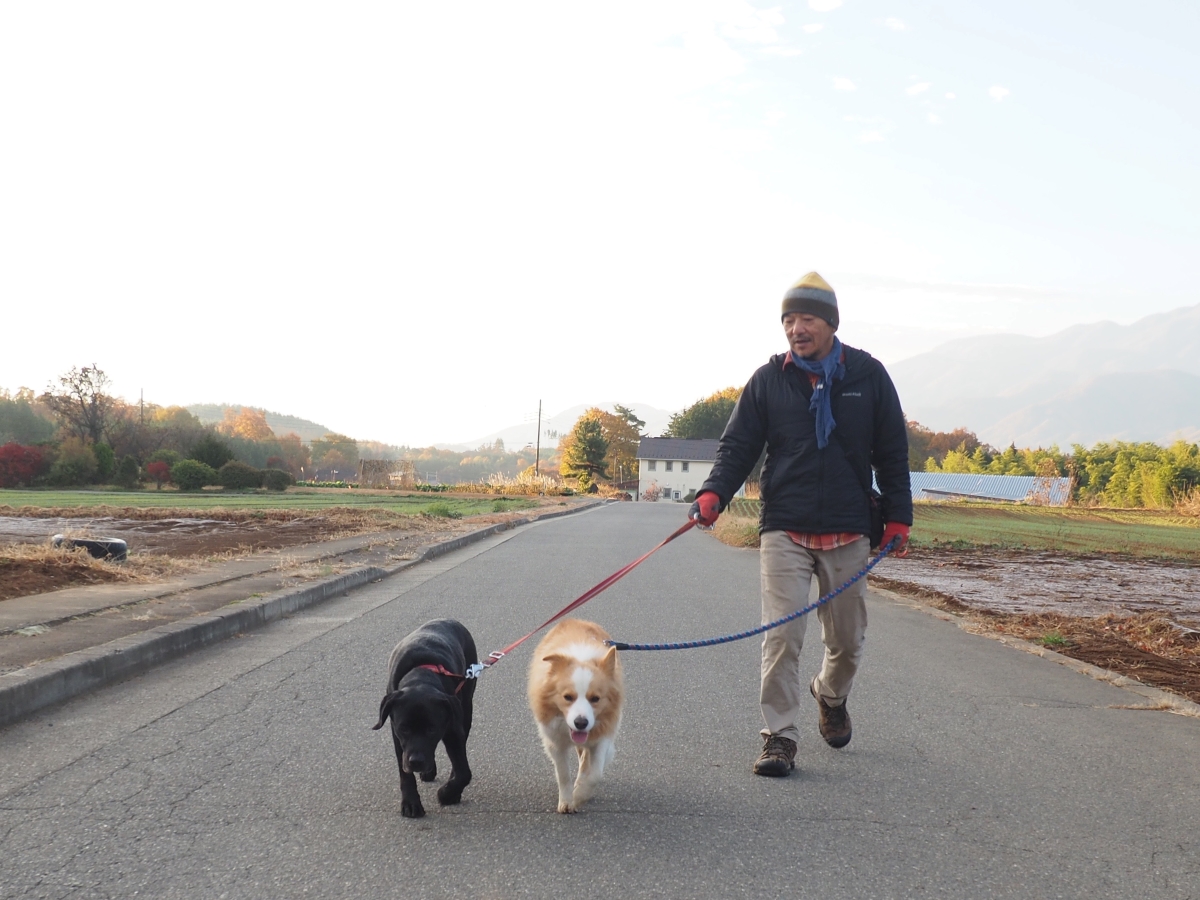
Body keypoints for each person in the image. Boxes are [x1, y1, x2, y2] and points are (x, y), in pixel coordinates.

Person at [689, 271, 912, 777]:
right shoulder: (769, 380)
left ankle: (829, 696)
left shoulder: (868, 376)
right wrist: (713, 494)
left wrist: (898, 516)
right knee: (781, 635)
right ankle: (779, 737)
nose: (796, 328)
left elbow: (892, 453)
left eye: (806, 318)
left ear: (831, 323)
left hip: (849, 527)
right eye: (788, 319)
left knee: (847, 641)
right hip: (785, 525)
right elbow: (738, 446)